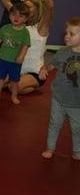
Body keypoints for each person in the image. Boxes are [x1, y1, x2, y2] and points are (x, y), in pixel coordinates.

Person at [0, 0, 54, 94]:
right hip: (17, 68)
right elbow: (6, 1)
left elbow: (50, 6)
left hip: (34, 71)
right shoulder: (21, 22)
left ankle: (23, 84)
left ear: (37, 9)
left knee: (14, 87)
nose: (25, 8)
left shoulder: (42, 27)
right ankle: (16, 83)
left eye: (28, 7)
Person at [39, 17, 80, 160]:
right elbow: (51, 65)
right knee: (55, 123)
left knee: (77, 128)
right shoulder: (63, 52)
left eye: (72, 34)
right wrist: (44, 69)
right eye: (66, 33)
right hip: (58, 97)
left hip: (76, 102)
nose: (66, 36)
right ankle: (50, 148)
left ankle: (77, 150)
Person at [0, 2, 31, 104]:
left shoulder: (25, 32)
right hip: (2, 58)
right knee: (0, 78)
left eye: (20, 16)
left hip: (14, 61)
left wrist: (21, 57)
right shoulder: (5, 28)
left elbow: (26, 45)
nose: (16, 17)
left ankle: (14, 96)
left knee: (15, 80)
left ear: (25, 19)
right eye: (13, 14)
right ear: (9, 15)